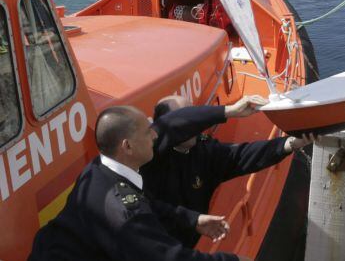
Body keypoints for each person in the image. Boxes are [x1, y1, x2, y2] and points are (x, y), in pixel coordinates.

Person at [29, 105, 250, 261]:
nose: (155, 136)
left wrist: (192, 220)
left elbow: (146, 204)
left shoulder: (98, 168)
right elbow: (166, 257)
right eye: (147, 132)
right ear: (127, 147)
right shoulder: (123, 210)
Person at [142, 95, 314, 248]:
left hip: (186, 243)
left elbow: (240, 156)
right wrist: (229, 111)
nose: (195, 126)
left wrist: (290, 143)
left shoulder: (204, 151)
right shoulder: (149, 156)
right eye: (188, 121)